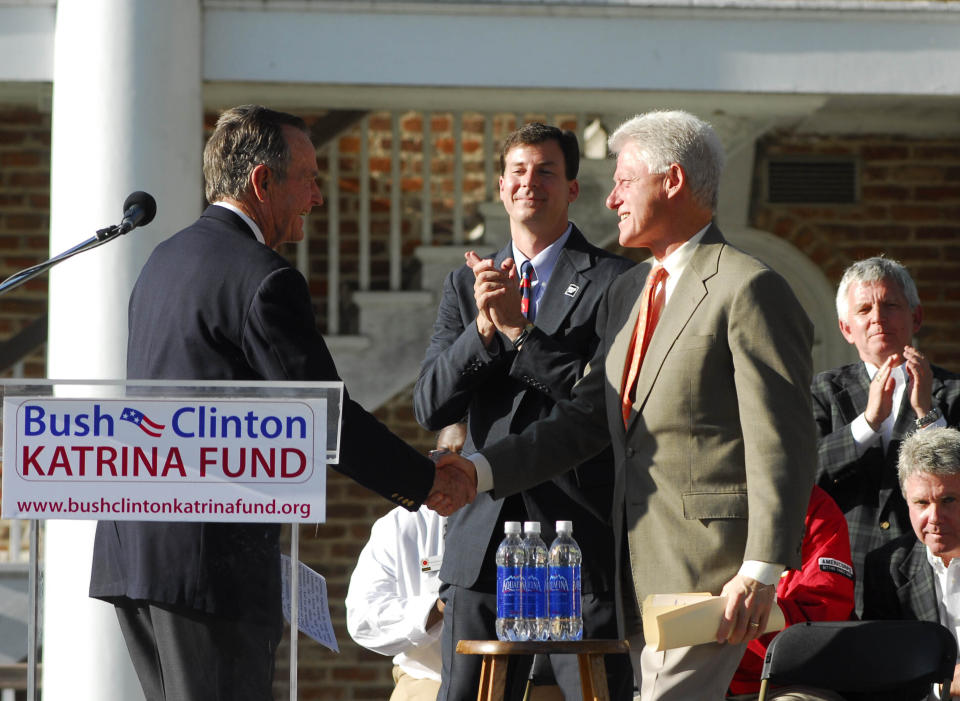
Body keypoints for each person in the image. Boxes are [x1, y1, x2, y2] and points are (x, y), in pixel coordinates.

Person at [88, 105, 473, 701]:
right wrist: (426, 484)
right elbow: (325, 417)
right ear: (263, 182)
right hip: (208, 563)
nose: (317, 197)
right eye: (309, 178)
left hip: (133, 551)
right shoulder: (263, 277)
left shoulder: (162, 262)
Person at [437, 109, 817, 700]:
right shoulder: (632, 290)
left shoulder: (748, 286)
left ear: (673, 181)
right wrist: (479, 471)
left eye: (624, 181)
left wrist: (761, 569)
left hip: (708, 577)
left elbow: (783, 439)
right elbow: (588, 417)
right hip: (626, 574)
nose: (610, 199)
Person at [414, 122, 634, 701]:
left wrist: (519, 329)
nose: (529, 183)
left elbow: (604, 402)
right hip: (483, 532)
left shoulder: (617, 281)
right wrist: (483, 332)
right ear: (502, 185)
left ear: (572, 190)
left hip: (577, 535)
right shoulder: (468, 284)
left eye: (545, 172)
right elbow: (430, 402)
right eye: (518, 171)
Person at [813, 256, 960, 614]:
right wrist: (867, 423)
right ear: (847, 329)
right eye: (864, 309)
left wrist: (928, 413)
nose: (877, 318)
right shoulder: (823, 391)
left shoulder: (952, 392)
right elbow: (800, 475)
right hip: (843, 572)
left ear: (916, 317)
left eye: (890, 305)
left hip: (930, 579)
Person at [727, 486, 854, 701]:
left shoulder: (812, 505)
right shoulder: (675, 497)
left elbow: (820, 626)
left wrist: (738, 618)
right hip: (693, 670)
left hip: (784, 683)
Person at [862, 426, 960, 700]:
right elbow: (882, 672)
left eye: (948, 500)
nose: (935, 517)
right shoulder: (887, 567)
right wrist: (943, 687)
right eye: (921, 503)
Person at [346, 504, 447, 701]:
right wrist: (435, 609)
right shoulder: (402, 524)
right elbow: (362, 616)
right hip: (430, 679)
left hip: (516, 674)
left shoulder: (518, 513)